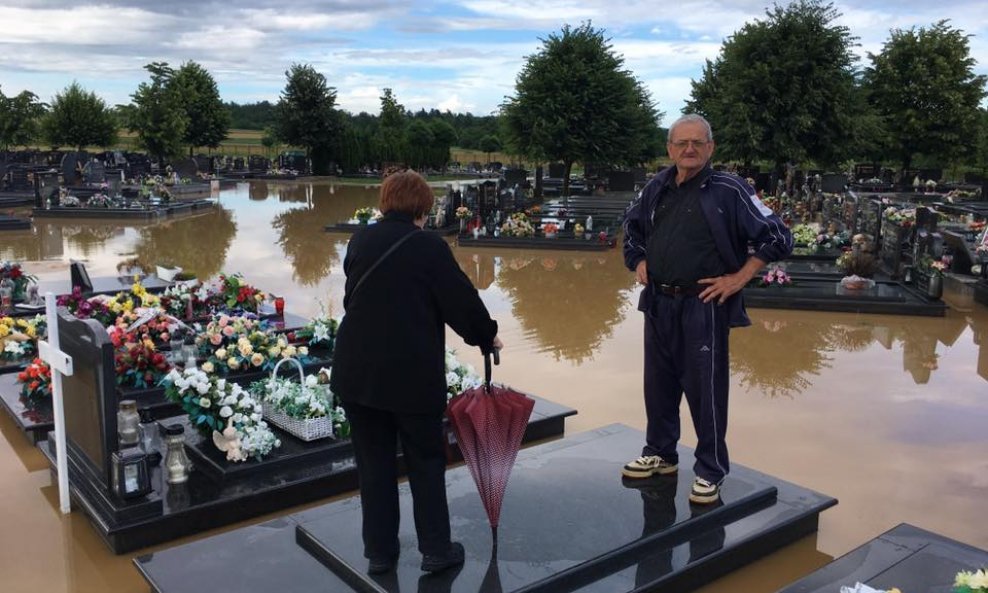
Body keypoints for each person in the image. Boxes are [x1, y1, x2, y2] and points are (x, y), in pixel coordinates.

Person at [331, 170, 502, 575]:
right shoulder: (429, 247)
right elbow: (461, 301)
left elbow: (353, 294)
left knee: (373, 465)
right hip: (410, 377)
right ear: (423, 207)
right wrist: (487, 336)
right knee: (425, 460)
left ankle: (379, 554)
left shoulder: (360, 239)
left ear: (384, 202)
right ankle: (435, 550)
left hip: (357, 372)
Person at [621, 114, 793, 504]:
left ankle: (711, 469)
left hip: (704, 305)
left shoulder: (729, 189)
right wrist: (639, 260)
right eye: (681, 143)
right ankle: (661, 454)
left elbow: (778, 236)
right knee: (658, 385)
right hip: (659, 303)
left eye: (698, 142)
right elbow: (631, 229)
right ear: (669, 149)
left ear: (711, 147)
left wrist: (739, 277)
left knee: (706, 391)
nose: (689, 149)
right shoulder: (657, 187)